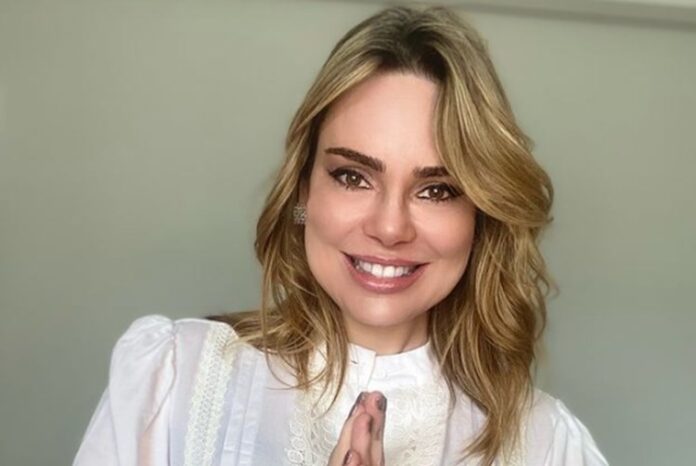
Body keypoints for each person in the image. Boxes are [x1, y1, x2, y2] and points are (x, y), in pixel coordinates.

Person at [74, 6, 609, 466]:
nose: (390, 228)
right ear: (304, 192)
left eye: (437, 190)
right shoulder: (170, 380)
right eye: (353, 177)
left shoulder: (546, 445)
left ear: (480, 217)